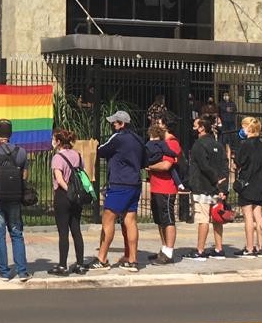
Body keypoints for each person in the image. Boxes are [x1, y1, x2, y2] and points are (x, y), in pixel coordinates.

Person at [92, 110, 144, 271]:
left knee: (108, 219)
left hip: (119, 183)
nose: (113, 125)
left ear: (122, 124)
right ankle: (133, 260)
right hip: (135, 182)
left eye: (115, 122)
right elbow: (144, 160)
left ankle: (102, 258)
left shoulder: (118, 138)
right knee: (131, 221)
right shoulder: (138, 139)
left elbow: (101, 150)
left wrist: (94, 145)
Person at [0, 119, 30, 282]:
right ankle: (22, 271)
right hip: (15, 197)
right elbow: (24, 176)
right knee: (16, 233)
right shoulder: (21, 152)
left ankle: (4, 272)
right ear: (11, 134)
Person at [186, 118, 229, 260]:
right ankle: (219, 249)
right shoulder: (218, 145)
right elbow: (224, 166)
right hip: (217, 189)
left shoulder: (199, 144)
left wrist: (214, 179)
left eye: (194, 125)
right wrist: (222, 186)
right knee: (217, 218)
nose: (192, 128)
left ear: (201, 128)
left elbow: (203, 166)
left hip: (202, 187)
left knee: (203, 219)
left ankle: (200, 251)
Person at [48, 129, 86, 276]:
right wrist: (76, 193)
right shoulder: (77, 155)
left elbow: (59, 179)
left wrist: (68, 191)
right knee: (76, 230)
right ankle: (80, 264)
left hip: (63, 196)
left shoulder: (58, 158)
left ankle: (63, 265)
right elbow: (81, 173)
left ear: (58, 142)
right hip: (77, 197)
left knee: (63, 232)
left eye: (53, 139)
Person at [145, 123, 182, 265]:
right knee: (160, 220)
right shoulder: (159, 144)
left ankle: (169, 252)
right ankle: (164, 248)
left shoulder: (171, 144)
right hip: (156, 187)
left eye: (160, 123)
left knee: (168, 220)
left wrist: (150, 166)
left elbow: (166, 165)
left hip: (166, 188)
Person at [233, 116, 262, 258]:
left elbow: (238, 162)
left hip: (247, 184)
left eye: (243, 127)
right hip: (260, 183)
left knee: (248, 216)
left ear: (248, 128)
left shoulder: (245, 145)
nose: (242, 129)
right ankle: (260, 246)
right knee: (258, 215)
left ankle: (249, 247)